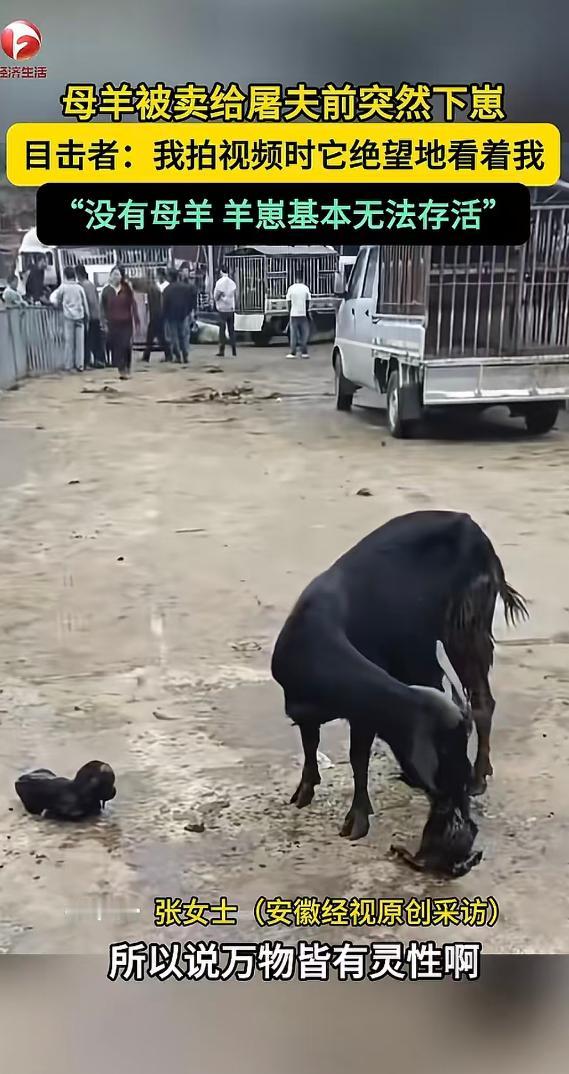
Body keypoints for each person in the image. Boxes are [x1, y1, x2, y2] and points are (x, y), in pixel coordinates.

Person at [101, 265, 140, 380]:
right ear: (110, 276)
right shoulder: (106, 291)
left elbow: (133, 305)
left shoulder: (127, 289)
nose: (115, 276)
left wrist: (136, 320)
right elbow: (102, 307)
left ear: (121, 277)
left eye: (118, 274)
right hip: (113, 323)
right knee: (117, 347)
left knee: (126, 345)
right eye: (113, 274)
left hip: (126, 322)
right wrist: (103, 322)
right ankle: (121, 370)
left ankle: (127, 367)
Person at [49, 266, 89, 372]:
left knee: (69, 342)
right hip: (80, 317)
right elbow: (84, 303)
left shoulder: (63, 287)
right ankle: (79, 365)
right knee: (80, 343)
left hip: (69, 317)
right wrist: (87, 315)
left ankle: (69, 365)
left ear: (65, 275)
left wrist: (57, 305)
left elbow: (57, 299)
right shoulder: (79, 288)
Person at [162, 268, 196, 364]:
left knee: (174, 337)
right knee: (184, 335)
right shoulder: (186, 288)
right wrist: (189, 311)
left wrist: (164, 316)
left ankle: (177, 356)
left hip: (171, 316)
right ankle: (185, 355)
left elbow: (164, 304)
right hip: (184, 314)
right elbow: (191, 300)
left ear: (169, 277)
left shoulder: (167, 290)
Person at [76, 264, 106, 369]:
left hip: (89, 316)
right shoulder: (91, 285)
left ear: (78, 274)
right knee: (97, 340)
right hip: (96, 315)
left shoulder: (81, 286)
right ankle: (100, 360)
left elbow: (86, 302)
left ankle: (87, 362)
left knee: (88, 341)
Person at [141, 275, 171, 363]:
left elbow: (151, 306)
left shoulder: (151, 290)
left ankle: (146, 357)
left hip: (154, 317)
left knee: (151, 338)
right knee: (160, 338)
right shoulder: (156, 289)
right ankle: (168, 355)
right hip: (158, 316)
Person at [286, 271, 311, 359]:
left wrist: (290, 312)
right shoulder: (305, 288)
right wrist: (306, 310)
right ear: (302, 278)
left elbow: (288, 302)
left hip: (293, 314)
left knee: (293, 334)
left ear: (295, 278)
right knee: (304, 333)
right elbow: (308, 301)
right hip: (303, 314)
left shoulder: (291, 288)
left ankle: (293, 352)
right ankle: (304, 352)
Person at [214, 266, 237, 358]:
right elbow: (236, 295)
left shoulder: (220, 282)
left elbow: (217, 295)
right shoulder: (232, 283)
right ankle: (234, 350)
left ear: (220, 271)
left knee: (222, 330)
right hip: (231, 308)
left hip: (222, 309)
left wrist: (216, 300)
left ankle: (221, 350)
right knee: (232, 330)